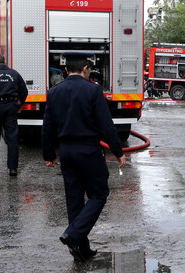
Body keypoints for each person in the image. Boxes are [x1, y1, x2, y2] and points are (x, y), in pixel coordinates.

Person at [42, 52, 125, 262]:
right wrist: (118, 151)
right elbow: (106, 124)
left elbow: (47, 126)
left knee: (74, 201)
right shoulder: (93, 89)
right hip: (88, 150)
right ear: (86, 68)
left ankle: (81, 250)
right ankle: (73, 233)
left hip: (67, 152)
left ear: (66, 70)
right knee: (99, 195)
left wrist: (49, 154)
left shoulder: (54, 92)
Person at [0, 53, 28, 175]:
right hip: (11, 107)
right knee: (12, 137)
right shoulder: (14, 73)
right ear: (5, 62)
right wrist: (19, 104)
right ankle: (12, 168)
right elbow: (24, 91)